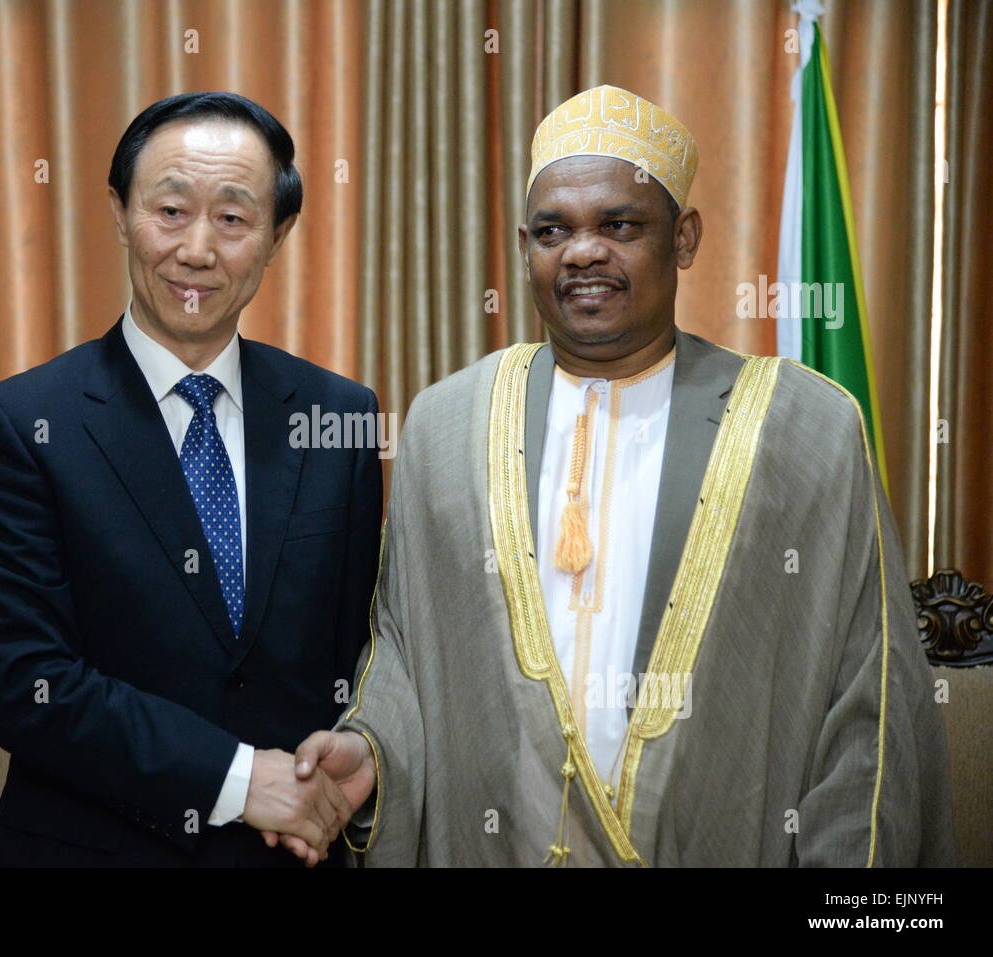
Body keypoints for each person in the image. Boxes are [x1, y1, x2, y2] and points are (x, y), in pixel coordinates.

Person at [285, 85, 957, 866]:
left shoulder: (805, 426)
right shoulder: (444, 424)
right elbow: (404, 652)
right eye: (553, 230)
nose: (582, 252)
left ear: (685, 238)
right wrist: (371, 754)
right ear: (524, 246)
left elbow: (866, 701)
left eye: (620, 225)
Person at [0, 91, 381, 867]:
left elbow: (362, 649)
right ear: (120, 213)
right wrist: (241, 776)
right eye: (171, 210)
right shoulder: (23, 424)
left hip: (294, 851)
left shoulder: (339, 415)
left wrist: (361, 748)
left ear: (278, 235)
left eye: (232, 218)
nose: (196, 250)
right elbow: (24, 680)